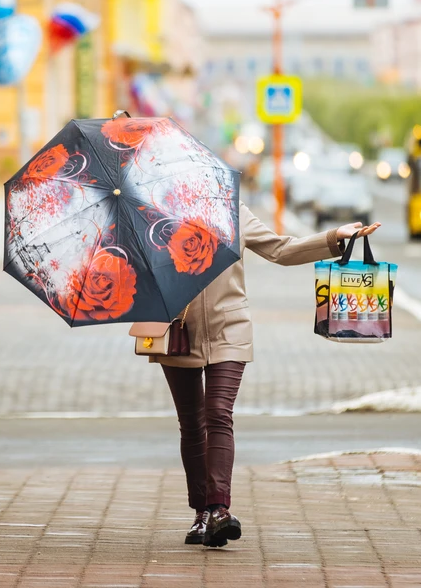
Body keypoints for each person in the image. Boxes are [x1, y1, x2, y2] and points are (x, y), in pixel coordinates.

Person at [155, 203, 381, 547]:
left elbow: (280, 250)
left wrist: (334, 237)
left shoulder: (231, 210)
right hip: (177, 331)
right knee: (191, 422)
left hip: (229, 327)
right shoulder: (154, 218)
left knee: (218, 412)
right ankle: (200, 512)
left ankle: (218, 509)